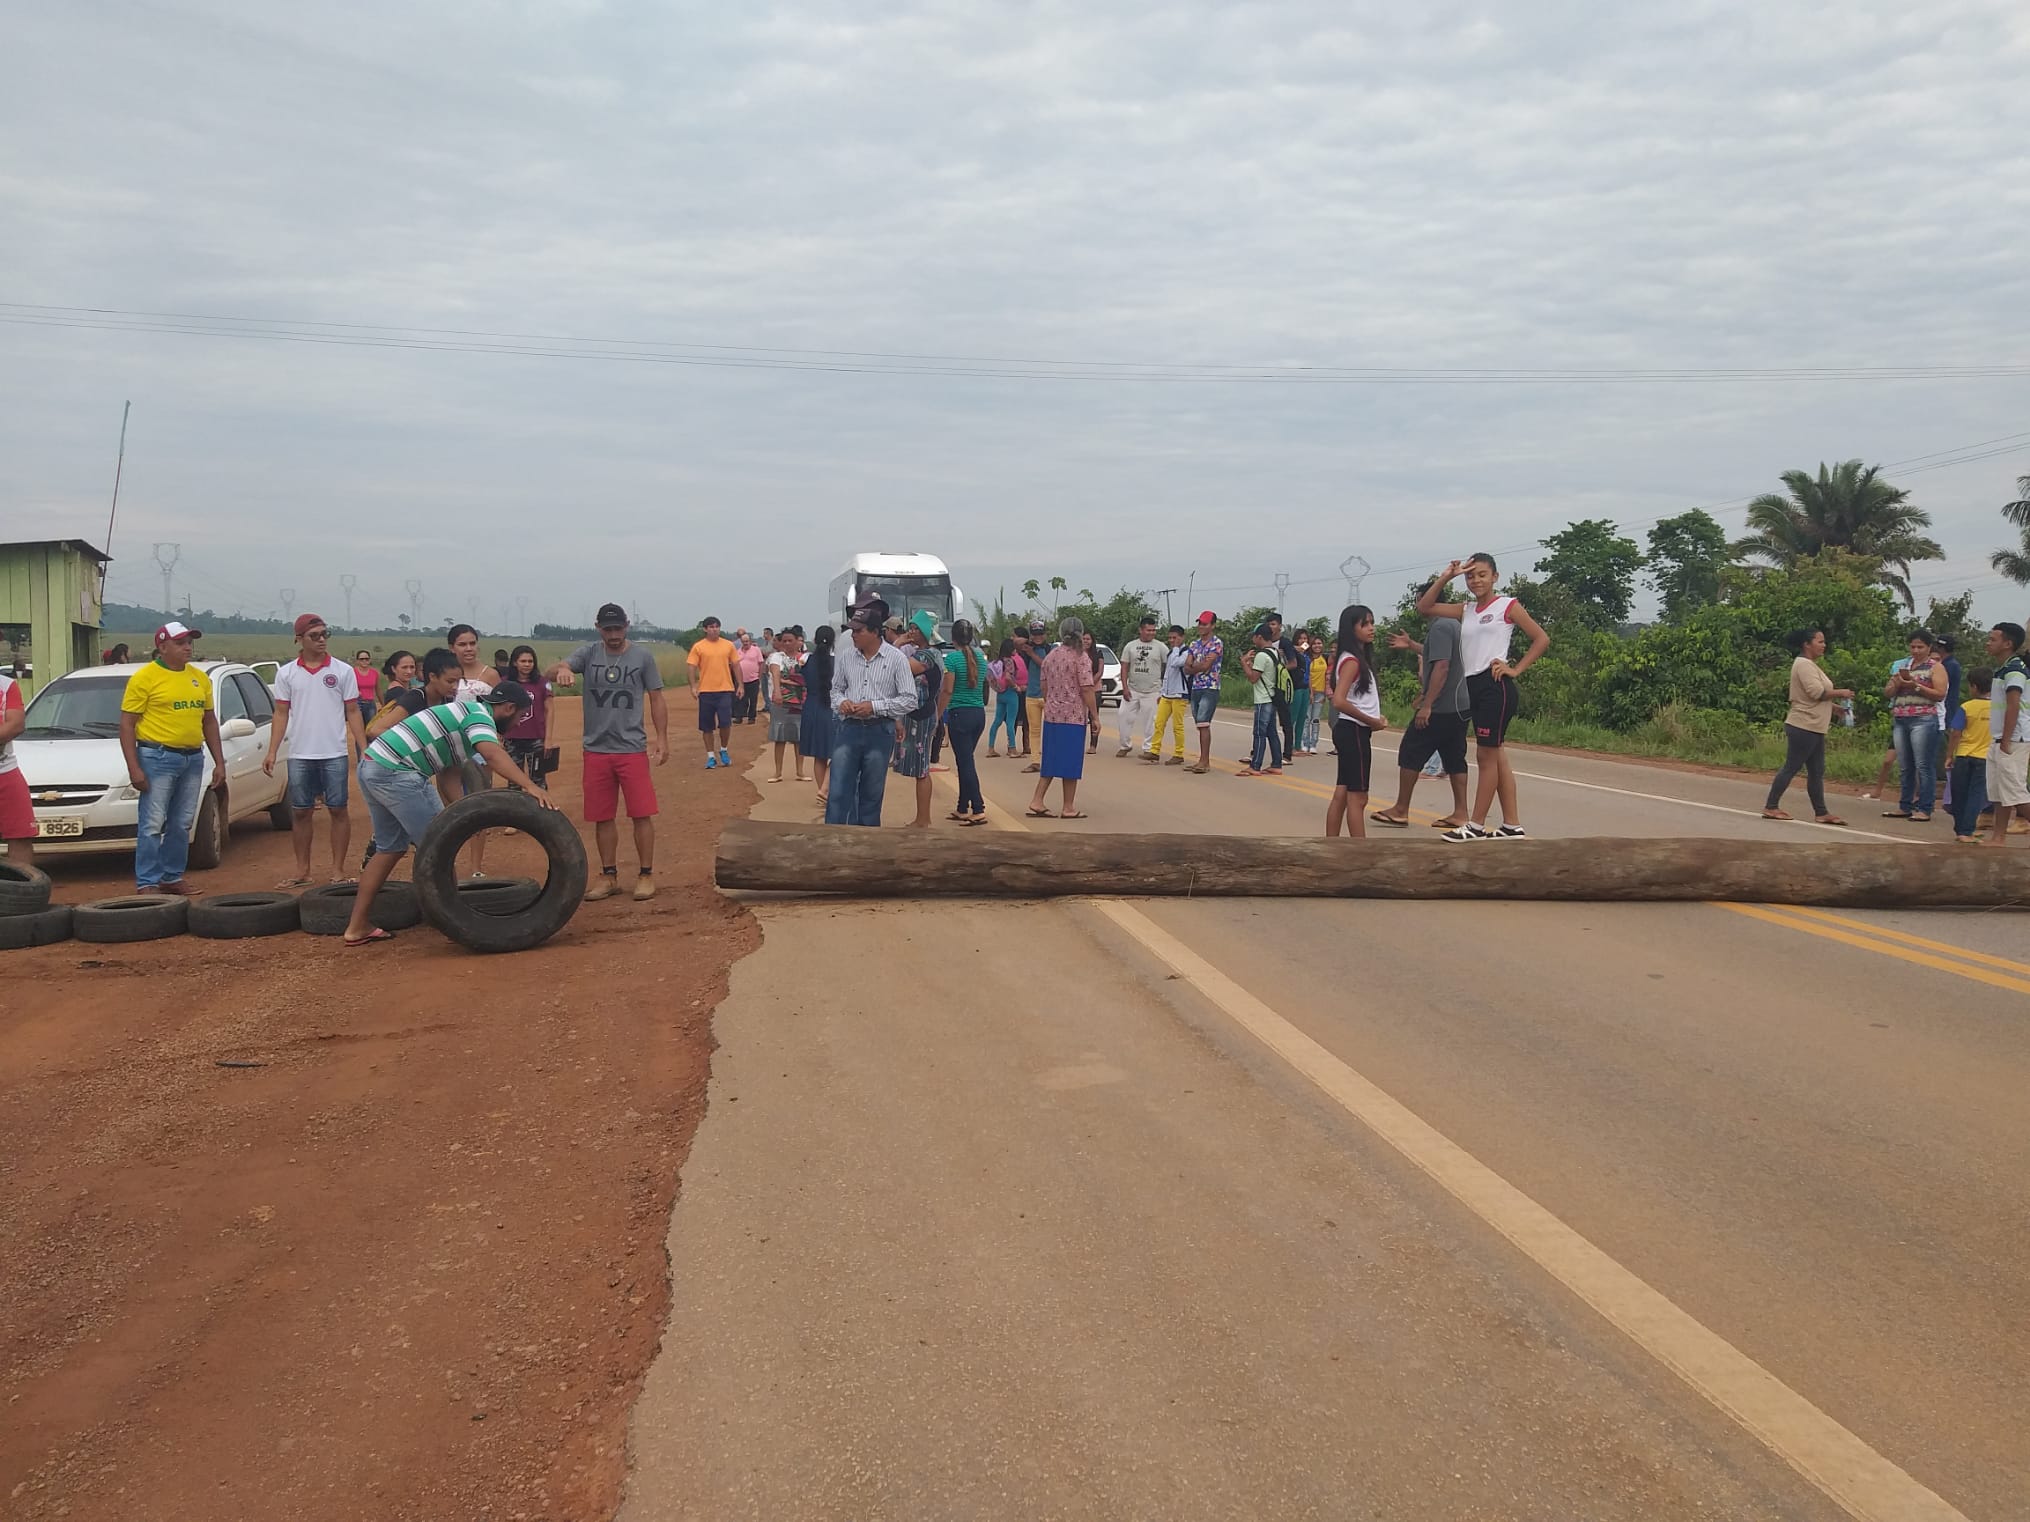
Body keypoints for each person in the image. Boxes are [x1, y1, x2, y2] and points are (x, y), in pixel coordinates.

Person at [341, 683, 557, 946]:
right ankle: (455, 920)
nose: (518, 723)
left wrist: (465, 815)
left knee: (391, 847)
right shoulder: (479, 716)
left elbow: (448, 774)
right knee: (439, 847)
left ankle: (357, 926)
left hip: (374, 766)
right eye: (520, 715)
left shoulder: (463, 714)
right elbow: (492, 754)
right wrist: (530, 785)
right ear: (508, 708)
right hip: (396, 773)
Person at [1418, 555, 1551, 841]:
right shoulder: (1465, 610)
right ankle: (1512, 825)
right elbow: (1425, 607)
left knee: (1485, 755)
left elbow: (1541, 638)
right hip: (1473, 686)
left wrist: (1515, 669)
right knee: (1497, 755)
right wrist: (1447, 576)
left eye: (1481, 575)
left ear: (1495, 577)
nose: (1475, 581)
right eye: (1470, 576)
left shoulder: (1507, 606)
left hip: (1495, 686)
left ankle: (1476, 825)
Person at [544, 603, 667, 899]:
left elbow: (657, 698)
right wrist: (562, 669)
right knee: (602, 816)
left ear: (627, 625)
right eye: (608, 629)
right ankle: (608, 875)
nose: (614, 634)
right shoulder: (588, 653)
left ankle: (646, 874)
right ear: (598, 628)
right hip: (596, 749)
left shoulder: (642, 657)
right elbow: (550, 672)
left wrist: (662, 738)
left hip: (631, 748)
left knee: (641, 813)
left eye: (619, 628)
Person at [118, 620, 227, 896]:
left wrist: (219, 761)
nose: (187, 648)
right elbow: (127, 724)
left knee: (181, 822)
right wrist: (134, 768)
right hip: (157, 757)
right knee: (153, 823)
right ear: (162, 646)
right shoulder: (145, 678)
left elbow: (209, 721)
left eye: (189, 642)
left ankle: (172, 876)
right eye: (180, 643)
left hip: (193, 758)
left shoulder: (199, 678)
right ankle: (147, 882)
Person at [264, 613, 366, 887]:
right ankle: (302, 870)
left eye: (324, 634)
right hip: (300, 752)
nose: (321, 640)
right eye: (314, 636)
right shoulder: (287, 673)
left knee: (338, 809)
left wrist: (363, 747)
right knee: (300, 811)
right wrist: (273, 750)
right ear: (299, 639)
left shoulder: (343, 671)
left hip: (333, 751)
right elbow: (281, 714)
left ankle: (338, 870)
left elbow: (353, 711)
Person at [1370, 625, 1471, 830]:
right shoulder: (1456, 627)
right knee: (1454, 756)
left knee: (1411, 751)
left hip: (1440, 706)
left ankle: (1400, 809)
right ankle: (1461, 813)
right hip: (1461, 705)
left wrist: (1427, 705)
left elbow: (1442, 665)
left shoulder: (1440, 627)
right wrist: (1411, 645)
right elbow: (1436, 652)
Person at [827, 603, 916, 826]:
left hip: (879, 731)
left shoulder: (896, 659)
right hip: (849, 729)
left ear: (875, 632)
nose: (853, 635)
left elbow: (909, 699)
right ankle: (830, 844)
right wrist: (842, 702)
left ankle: (867, 849)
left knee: (871, 795)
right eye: (852, 630)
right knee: (838, 792)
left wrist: (874, 707)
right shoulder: (847, 657)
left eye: (859, 630)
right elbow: (835, 690)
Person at [1760, 628, 1855, 827]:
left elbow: (1814, 696)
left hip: (1814, 725)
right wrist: (1841, 693)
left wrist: (1834, 708)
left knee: (1816, 770)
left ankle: (1821, 812)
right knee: (1792, 766)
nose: (1823, 645)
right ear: (1807, 644)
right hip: (1804, 724)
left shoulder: (1810, 665)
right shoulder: (1804, 665)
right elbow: (1816, 693)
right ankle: (1771, 806)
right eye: (1819, 641)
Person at [1324, 606, 1389, 837]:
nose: (1371, 628)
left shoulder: (1352, 658)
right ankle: (1359, 852)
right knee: (1358, 798)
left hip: (1350, 730)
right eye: (1365, 624)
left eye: (1372, 622)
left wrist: (1372, 719)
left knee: (1342, 793)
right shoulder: (1352, 661)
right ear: (1351, 630)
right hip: (1353, 731)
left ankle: (1332, 847)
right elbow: (1339, 701)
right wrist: (1371, 721)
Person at [1028, 617, 1098, 819]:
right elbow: (1086, 688)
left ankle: (1038, 799)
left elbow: (1044, 686)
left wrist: (1052, 701)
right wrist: (1094, 716)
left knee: (1051, 759)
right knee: (1071, 763)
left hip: (1052, 715)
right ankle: (1068, 806)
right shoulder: (1081, 658)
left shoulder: (1051, 656)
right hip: (1073, 716)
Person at [889, 614, 950, 828]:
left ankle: (923, 818)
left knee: (922, 769)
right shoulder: (926, 653)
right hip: (921, 713)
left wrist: (896, 644)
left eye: (915, 628)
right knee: (920, 768)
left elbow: (895, 667)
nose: (910, 632)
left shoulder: (926, 656)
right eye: (910, 628)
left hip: (921, 716)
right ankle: (922, 817)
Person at [1882, 629, 1946, 821]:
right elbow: (1887, 692)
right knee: (1905, 765)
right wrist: (1897, 684)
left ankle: (1925, 807)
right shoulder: (1904, 665)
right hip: (1901, 717)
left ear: (1928, 648)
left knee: (1923, 765)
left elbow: (1940, 694)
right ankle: (1905, 805)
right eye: (1913, 646)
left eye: (1920, 647)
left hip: (1923, 718)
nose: (1916, 650)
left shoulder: (1935, 667)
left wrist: (1915, 686)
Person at [942, 618, 991, 823]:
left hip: (959, 714)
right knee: (965, 761)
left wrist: (938, 713)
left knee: (965, 762)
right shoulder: (980, 657)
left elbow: (948, 690)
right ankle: (962, 806)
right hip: (978, 713)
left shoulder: (952, 660)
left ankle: (978, 807)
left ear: (952, 638)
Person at [1986, 622, 2028, 847]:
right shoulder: (2002, 669)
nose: (1988, 643)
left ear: (2008, 644)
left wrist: (2006, 739)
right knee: (1999, 792)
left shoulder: (2014, 670)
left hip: (2012, 739)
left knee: (2016, 793)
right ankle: (1998, 837)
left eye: (1993, 639)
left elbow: (2014, 705)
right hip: (2000, 737)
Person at [686, 616, 741, 768]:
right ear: (705, 629)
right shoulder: (699, 647)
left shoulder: (728, 645)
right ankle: (710, 756)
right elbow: (691, 666)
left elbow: (736, 665)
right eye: (711, 627)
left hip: (725, 689)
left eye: (716, 626)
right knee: (707, 725)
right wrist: (693, 686)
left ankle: (723, 749)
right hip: (706, 690)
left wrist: (740, 685)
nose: (714, 629)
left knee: (725, 722)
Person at [1947, 668, 1992, 843]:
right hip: (1985, 757)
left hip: (1964, 755)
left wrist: (1949, 755)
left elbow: (1956, 732)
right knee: (1976, 794)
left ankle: (1961, 829)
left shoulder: (1966, 707)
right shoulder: (1999, 707)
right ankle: (1968, 830)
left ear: (1973, 686)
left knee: (1960, 793)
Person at [500, 645, 553, 791]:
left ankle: (541, 811)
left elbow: (550, 710)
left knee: (538, 780)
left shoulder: (543, 683)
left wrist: (548, 739)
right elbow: (498, 710)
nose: (527, 665)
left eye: (530, 661)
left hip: (536, 739)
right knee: (513, 781)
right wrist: (498, 734)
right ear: (515, 663)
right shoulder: (504, 683)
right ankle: (515, 813)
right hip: (512, 739)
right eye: (523, 661)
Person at [1237, 625, 1284, 777]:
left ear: (1259, 637)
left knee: (1259, 732)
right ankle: (1276, 764)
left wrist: (1244, 663)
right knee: (1271, 732)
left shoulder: (1262, 656)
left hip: (1263, 699)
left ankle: (1255, 765)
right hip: (1272, 697)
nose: (1253, 639)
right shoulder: (1276, 653)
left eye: (1254, 636)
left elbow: (1253, 678)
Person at [1115, 615, 1164, 759]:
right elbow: (1124, 667)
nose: (1151, 633)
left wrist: (1163, 689)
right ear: (1141, 630)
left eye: (1153, 630)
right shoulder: (1130, 646)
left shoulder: (1161, 647)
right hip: (1133, 689)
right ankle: (1125, 745)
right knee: (1123, 716)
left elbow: (1168, 667)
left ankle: (1149, 749)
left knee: (1151, 722)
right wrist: (1124, 687)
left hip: (1152, 691)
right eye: (1148, 630)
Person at [0, 662, 32, 876]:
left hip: (5, 769)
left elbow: (16, 724)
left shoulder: (7, 685)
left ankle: (24, 894)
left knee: (21, 833)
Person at [799, 625, 836, 806]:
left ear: (814, 640)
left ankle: (823, 791)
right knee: (839, 752)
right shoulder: (837, 662)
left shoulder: (805, 660)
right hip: (831, 708)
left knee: (819, 755)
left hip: (811, 707)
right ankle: (826, 789)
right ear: (833, 641)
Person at [1182, 611, 1224, 774]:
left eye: (1205, 624)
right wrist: (1196, 667)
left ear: (1212, 625)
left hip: (1210, 686)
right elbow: (1186, 667)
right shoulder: (1194, 644)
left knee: (1203, 722)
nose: (1201, 626)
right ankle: (1202, 760)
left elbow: (1206, 666)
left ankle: (1204, 761)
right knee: (1200, 724)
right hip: (1196, 687)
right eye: (1200, 623)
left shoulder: (1216, 643)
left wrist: (1194, 666)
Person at [1144, 624, 1191, 764]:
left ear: (1182, 637)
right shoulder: (1171, 653)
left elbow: (1177, 664)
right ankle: (1154, 751)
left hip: (1179, 693)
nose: (1172, 640)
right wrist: (1162, 691)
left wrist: (1176, 647)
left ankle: (1179, 753)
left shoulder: (1186, 652)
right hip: (1167, 694)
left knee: (1177, 726)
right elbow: (1167, 674)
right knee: (1159, 723)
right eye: (1170, 638)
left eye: (1175, 638)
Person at [766, 629, 808, 783]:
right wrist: (778, 690)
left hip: (800, 702)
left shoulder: (805, 657)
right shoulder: (776, 657)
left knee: (799, 737)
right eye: (784, 641)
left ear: (798, 641)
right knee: (780, 736)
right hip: (781, 701)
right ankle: (777, 772)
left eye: (790, 640)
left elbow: (806, 678)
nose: (787, 644)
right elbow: (776, 674)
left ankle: (800, 771)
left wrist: (787, 681)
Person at [1265, 614, 1301, 762]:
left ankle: (1287, 754)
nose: (1271, 627)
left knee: (1286, 721)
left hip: (1282, 687)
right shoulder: (1265, 643)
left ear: (1280, 626)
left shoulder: (1285, 644)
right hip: (1268, 686)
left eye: (1273, 624)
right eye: (1268, 624)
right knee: (1265, 719)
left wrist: (1278, 668)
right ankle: (1256, 751)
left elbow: (1293, 664)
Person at [987, 637, 1024, 758]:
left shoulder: (997, 662)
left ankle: (991, 748)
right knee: (1010, 721)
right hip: (1010, 693)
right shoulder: (1009, 661)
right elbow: (1008, 677)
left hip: (1000, 693)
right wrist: (1016, 687)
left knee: (997, 721)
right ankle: (1012, 749)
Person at [1019, 624, 1048, 770]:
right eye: (1035, 634)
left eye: (1040, 634)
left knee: (1050, 730)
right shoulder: (1026, 649)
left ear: (1045, 634)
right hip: (1031, 694)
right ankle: (1036, 761)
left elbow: (1047, 666)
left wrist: (1032, 654)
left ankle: (1049, 759)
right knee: (1034, 730)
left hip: (1048, 695)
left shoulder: (1050, 650)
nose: (1038, 637)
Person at [1288, 630, 1314, 756]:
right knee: (1293, 717)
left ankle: (1298, 746)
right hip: (1296, 687)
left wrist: (1311, 692)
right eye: (1300, 638)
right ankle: (1290, 747)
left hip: (1305, 687)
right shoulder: (1293, 653)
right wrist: (1295, 649)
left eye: (1305, 638)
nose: (1303, 641)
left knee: (1302, 718)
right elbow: (1283, 647)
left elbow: (1309, 674)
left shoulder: (1307, 655)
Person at [734, 629, 766, 725]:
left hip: (753, 679)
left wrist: (759, 677)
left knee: (753, 699)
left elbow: (761, 664)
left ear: (750, 641)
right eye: (743, 642)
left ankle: (751, 717)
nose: (745, 643)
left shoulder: (756, 650)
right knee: (740, 699)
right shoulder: (738, 651)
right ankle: (739, 716)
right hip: (741, 680)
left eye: (747, 641)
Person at [1305, 638, 1328, 753]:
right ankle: (1305, 743)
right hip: (1309, 691)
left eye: (1319, 643)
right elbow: (1307, 676)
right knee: (1307, 718)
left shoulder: (1326, 658)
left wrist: (1326, 693)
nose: (1317, 646)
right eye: (1314, 644)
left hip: (1321, 693)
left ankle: (1313, 744)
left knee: (1315, 719)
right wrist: (1310, 693)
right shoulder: (1306, 658)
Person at [352, 648, 381, 727]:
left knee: (370, 728)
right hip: (357, 703)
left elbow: (378, 689)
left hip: (370, 704)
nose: (364, 661)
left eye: (366, 659)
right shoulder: (352, 672)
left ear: (370, 660)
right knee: (359, 728)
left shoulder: (374, 673)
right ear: (357, 661)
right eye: (362, 659)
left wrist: (383, 705)